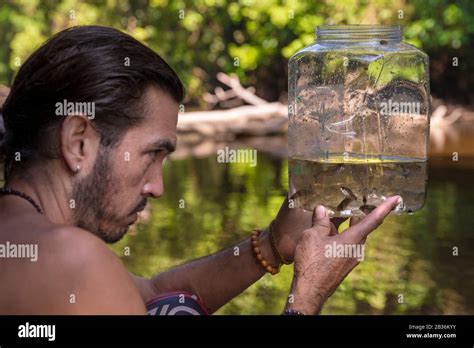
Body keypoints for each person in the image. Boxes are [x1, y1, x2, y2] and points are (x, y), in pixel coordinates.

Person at [0, 26, 401, 315]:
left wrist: (274, 243)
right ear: (79, 142)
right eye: (152, 153)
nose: (157, 186)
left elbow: (152, 293)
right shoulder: (75, 261)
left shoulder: (27, 240)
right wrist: (307, 296)